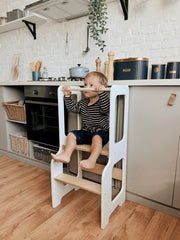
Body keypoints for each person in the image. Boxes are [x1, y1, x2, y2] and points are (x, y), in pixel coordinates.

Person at [51, 71, 110, 169]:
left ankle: (92, 161)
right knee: (71, 135)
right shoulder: (83, 103)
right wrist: (67, 96)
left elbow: (106, 108)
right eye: (85, 84)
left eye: (91, 85)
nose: (86, 87)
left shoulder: (102, 101)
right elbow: (72, 108)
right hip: (87, 132)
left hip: (101, 132)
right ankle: (66, 155)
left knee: (97, 138)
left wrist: (102, 93)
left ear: (100, 88)